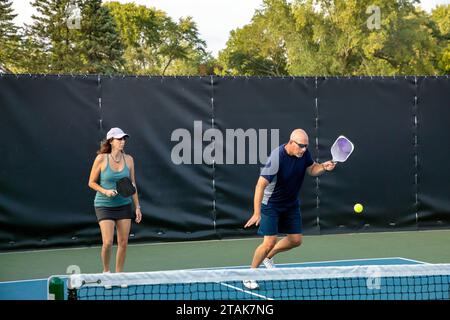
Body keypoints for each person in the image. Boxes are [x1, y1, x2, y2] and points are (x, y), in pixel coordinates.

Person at [243, 129, 336, 289]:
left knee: (295, 240)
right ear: (291, 142)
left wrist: (323, 167)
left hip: (291, 204)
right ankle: (250, 275)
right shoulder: (276, 158)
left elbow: (312, 169)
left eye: (306, 146)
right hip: (271, 204)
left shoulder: (303, 154)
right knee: (269, 242)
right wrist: (257, 212)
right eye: (301, 146)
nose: (304, 149)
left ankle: (268, 257)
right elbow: (260, 185)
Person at [88, 127, 142, 275]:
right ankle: (106, 272)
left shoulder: (129, 160)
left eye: (124, 139)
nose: (122, 141)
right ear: (111, 141)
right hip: (104, 205)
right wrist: (105, 191)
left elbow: (132, 185)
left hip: (124, 205)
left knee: (123, 243)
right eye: (119, 139)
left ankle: (119, 275)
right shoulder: (101, 159)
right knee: (108, 243)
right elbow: (91, 182)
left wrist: (137, 207)